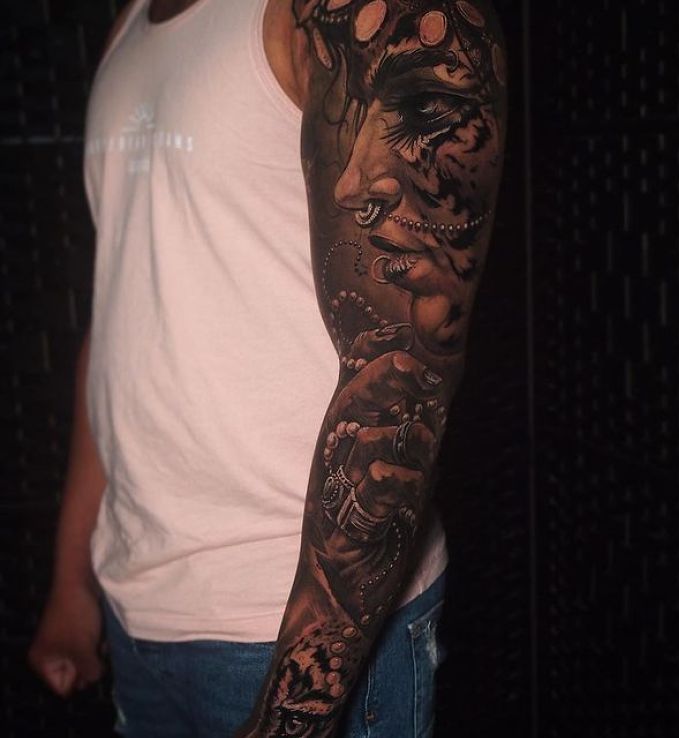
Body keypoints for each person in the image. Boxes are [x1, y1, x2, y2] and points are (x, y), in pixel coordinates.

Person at [28, 0, 507, 736]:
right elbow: (122, 311)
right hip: (138, 613)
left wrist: (290, 719)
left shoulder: (358, 15)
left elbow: (405, 378)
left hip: (290, 631)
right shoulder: (129, 26)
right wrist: (72, 582)